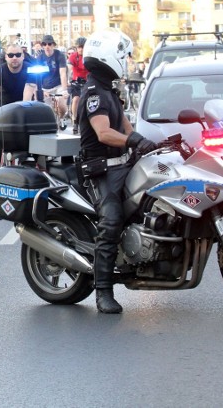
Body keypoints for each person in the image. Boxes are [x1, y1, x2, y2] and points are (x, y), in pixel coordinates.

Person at [77, 29, 157, 314]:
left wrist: (147, 147)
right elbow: (103, 133)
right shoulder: (94, 94)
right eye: (124, 55)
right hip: (99, 172)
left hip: (120, 165)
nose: (128, 60)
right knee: (111, 221)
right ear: (108, 56)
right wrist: (132, 141)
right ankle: (103, 291)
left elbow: (126, 128)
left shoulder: (109, 90)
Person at [0, 43, 38, 169]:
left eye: (18, 55)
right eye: (11, 55)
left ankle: (36, 165)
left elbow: (27, 94)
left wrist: (23, 114)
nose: (14, 58)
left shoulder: (30, 69)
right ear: (6, 57)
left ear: (23, 56)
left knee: (35, 133)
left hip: (24, 105)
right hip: (4, 106)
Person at [36, 34, 69, 129]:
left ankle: (62, 118)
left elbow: (63, 73)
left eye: (49, 44)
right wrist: (41, 90)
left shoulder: (59, 55)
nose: (47, 47)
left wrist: (64, 90)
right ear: (42, 46)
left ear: (53, 45)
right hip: (45, 86)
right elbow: (38, 76)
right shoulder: (40, 58)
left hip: (58, 85)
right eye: (45, 44)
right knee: (47, 111)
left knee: (62, 105)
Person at [68, 37, 89, 134]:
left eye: (83, 47)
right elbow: (70, 68)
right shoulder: (73, 56)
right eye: (79, 47)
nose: (81, 49)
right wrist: (69, 79)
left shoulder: (88, 56)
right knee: (76, 99)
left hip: (87, 81)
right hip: (76, 81)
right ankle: (75, 120)